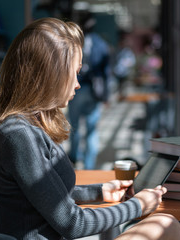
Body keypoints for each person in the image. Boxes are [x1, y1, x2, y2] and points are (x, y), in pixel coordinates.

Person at [0, 17, 180, 240]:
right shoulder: (18, 135)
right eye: (75, 72)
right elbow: (73, 224)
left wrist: (99, 192)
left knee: (164, 224)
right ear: (51, 73)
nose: (78, 83)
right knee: (166, 224)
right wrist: (138, 205)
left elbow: (46, 196)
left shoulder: (23, 129)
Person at [67, 13, 110, 170]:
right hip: (94, 91)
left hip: (76, 88)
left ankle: (73, 157)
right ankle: (89, 165)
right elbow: (106, 72)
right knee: (92, 130)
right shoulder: (101, 45)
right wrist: (106, 95)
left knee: (74, 126)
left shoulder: (75, 43)